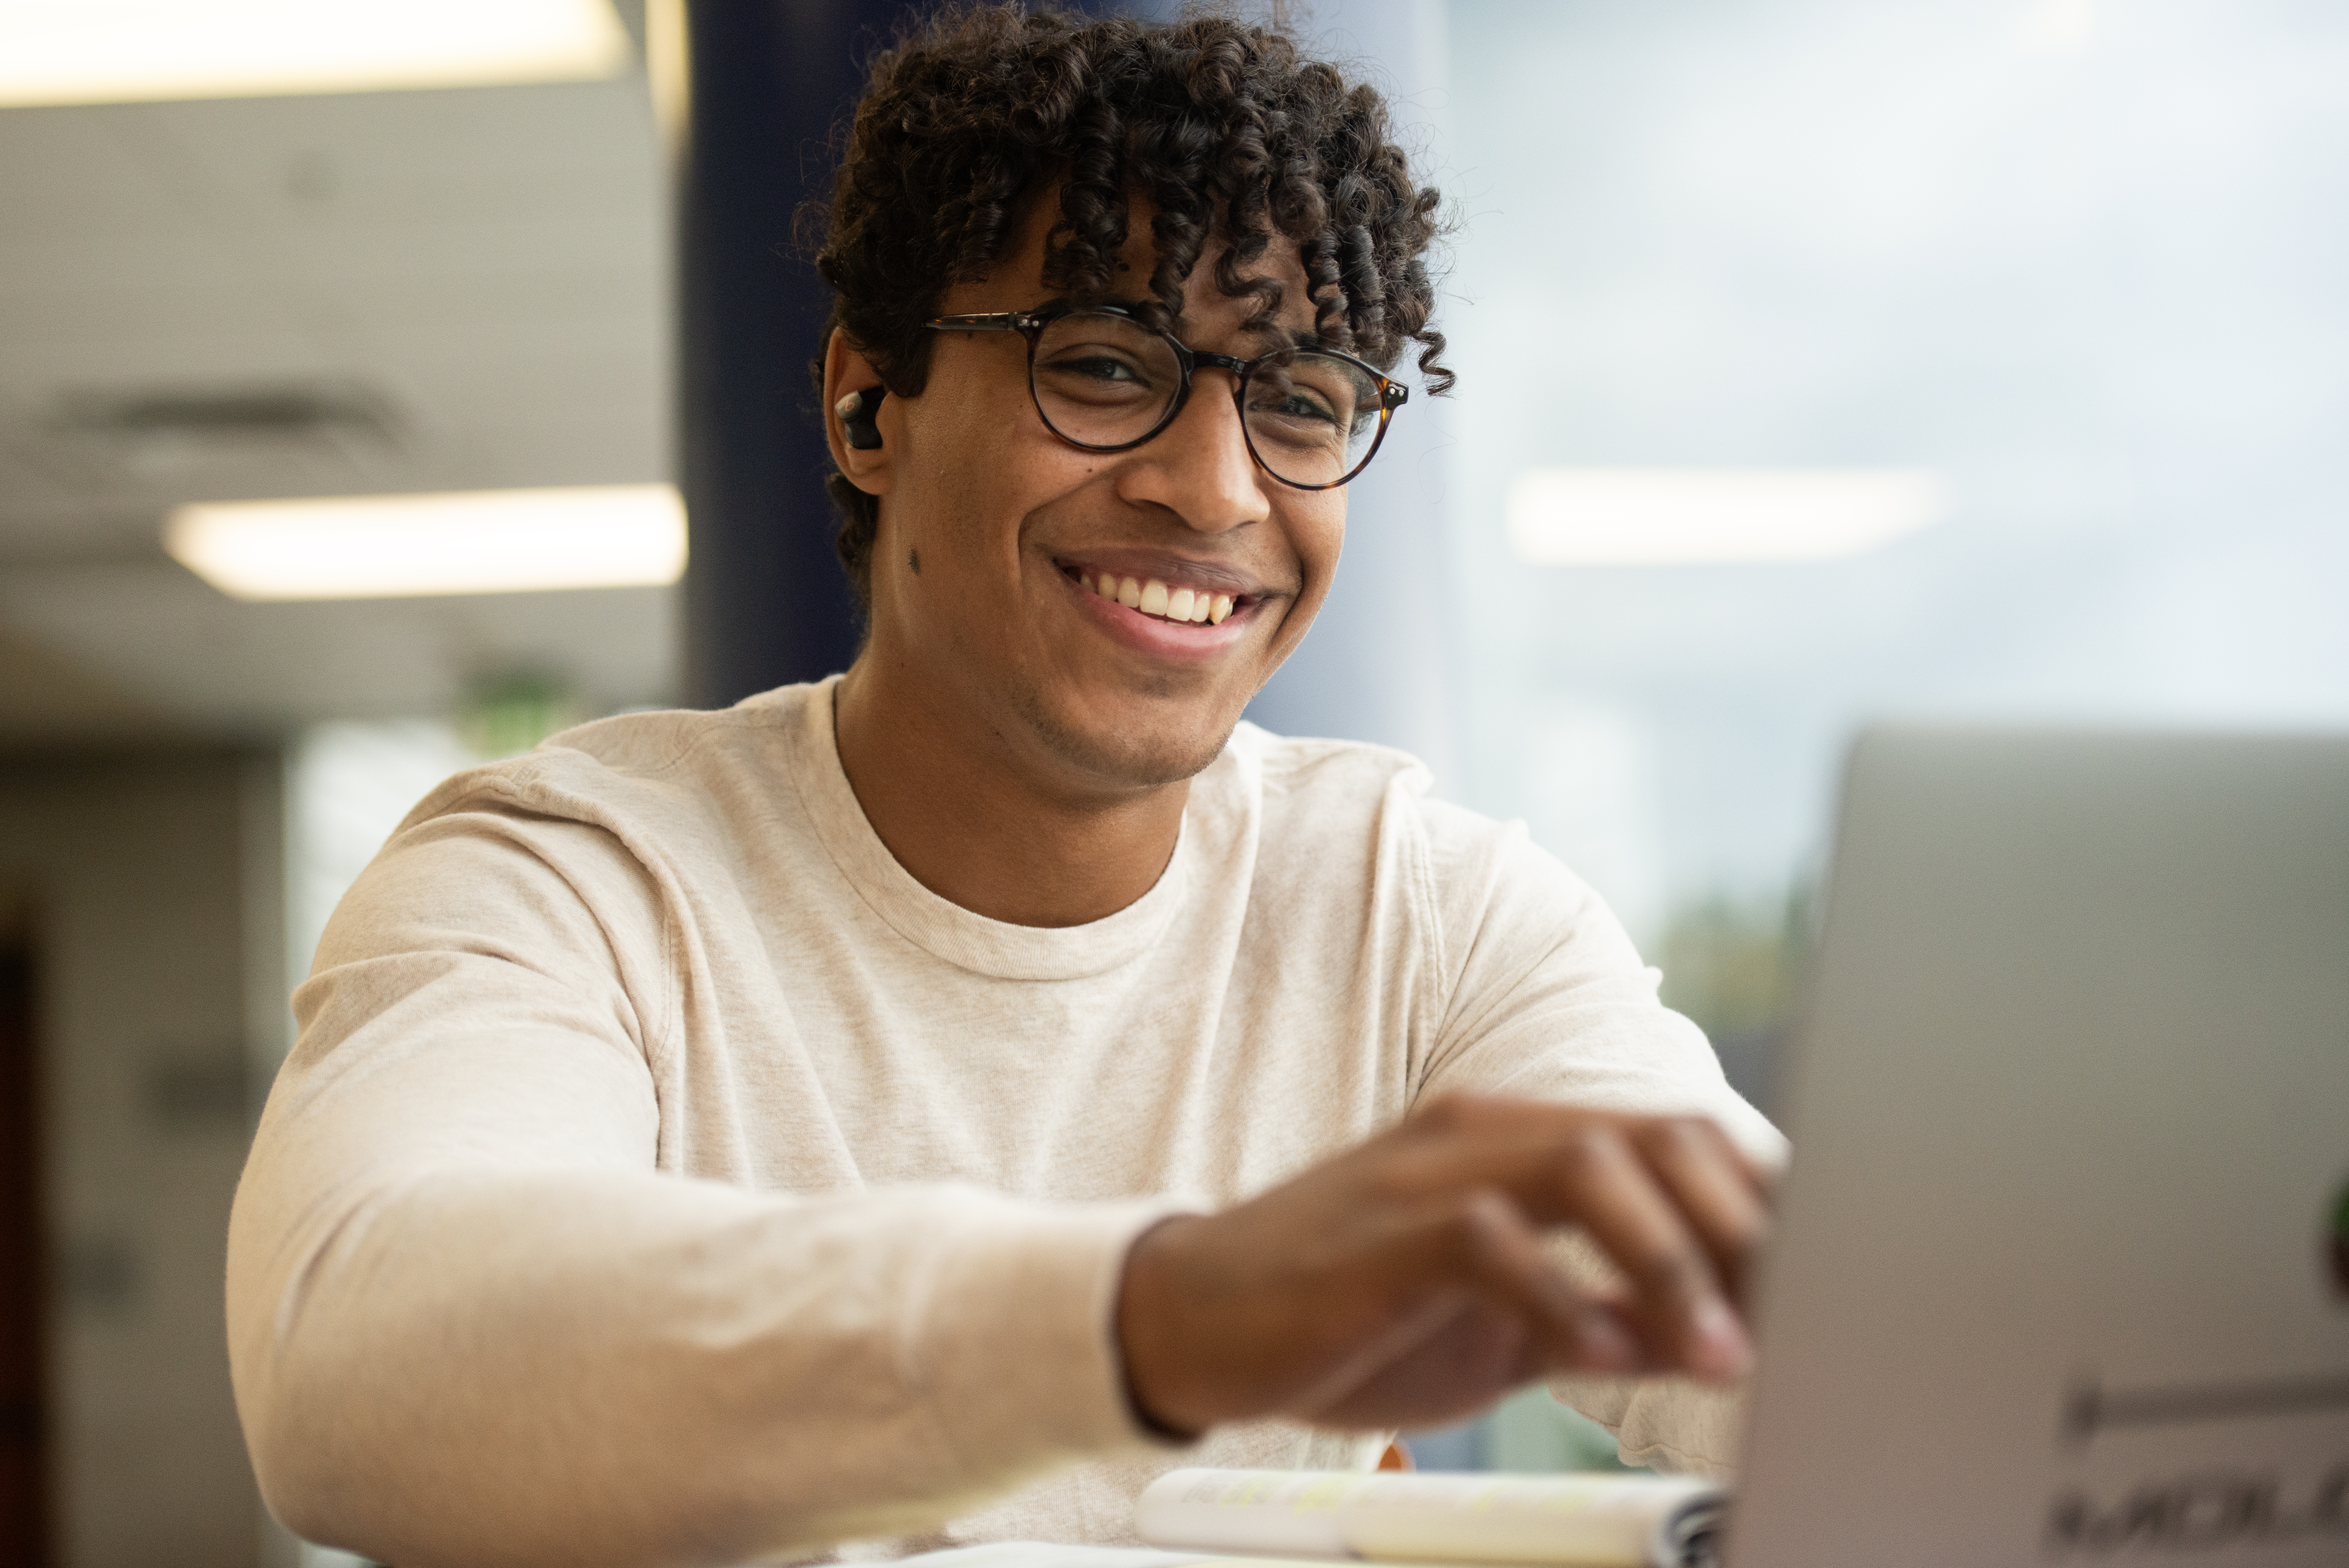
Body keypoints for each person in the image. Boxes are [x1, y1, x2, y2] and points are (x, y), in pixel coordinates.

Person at [227, 7, 1783, 1565]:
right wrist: (1162, 1316)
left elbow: (1794, 1325)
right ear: (868, 405)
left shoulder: (1424, 912)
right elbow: (357, 1354)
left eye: (1301, 399)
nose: (1217, 486)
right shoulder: (573, 881)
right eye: (1104, 365)